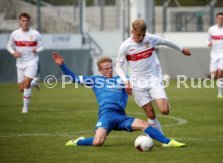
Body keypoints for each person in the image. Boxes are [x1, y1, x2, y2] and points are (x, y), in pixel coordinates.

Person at [51, 52, 185, 148]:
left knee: (145, 125)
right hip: (106, 115)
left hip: (121, 116)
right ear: (100, 70)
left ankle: (167, 142)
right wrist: (63, 66)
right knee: (98, 142)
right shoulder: (94, 80)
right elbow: (74, 78)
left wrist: (130, 89)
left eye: (111, 67)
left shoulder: (122, 79)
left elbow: (136, 86)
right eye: (106, 68)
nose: (110, 70)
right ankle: (78, 141)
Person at [115, 18, 191, 134]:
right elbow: (118, 67)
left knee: (164, 110)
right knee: (150, 113)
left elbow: (165, 42)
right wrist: (126, 81)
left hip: (153, 79)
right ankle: (161, 139)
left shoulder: (150, 39)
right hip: (137, 83)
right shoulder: (125, 46)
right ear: (132, 32)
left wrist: (181, 49)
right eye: (138, 35)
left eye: (143, 35)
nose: (140, 38)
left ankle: (165, 104)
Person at [7, 13, 44, 113]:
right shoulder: (15, 34)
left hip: (32, 61)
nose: (25, 22)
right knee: (21, 88)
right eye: (23, 20)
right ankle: (34, 82)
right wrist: (13, 52)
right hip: (20, 63)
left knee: (26, 83)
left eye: (27, 20)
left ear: (29, 22)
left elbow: (42, 46)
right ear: (20, 22)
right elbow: (9, 46)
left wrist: (37, 50)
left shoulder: (35, 34)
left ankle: (25, 108)